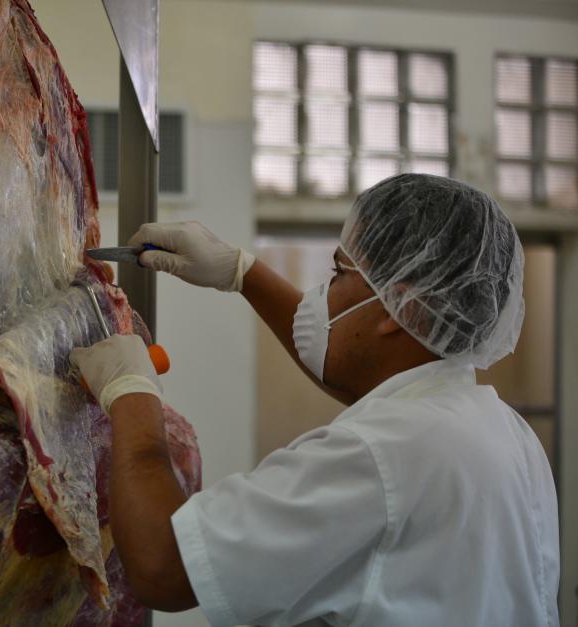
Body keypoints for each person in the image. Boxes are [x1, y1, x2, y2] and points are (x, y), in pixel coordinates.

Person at [70, 174, 560, 627]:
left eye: (339, 271)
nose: (323, 291)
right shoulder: (502, 432)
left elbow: (163, 566)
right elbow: (355, 371)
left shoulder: (381, 455)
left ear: (402, 307)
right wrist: (243, 273)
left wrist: (131, 394)